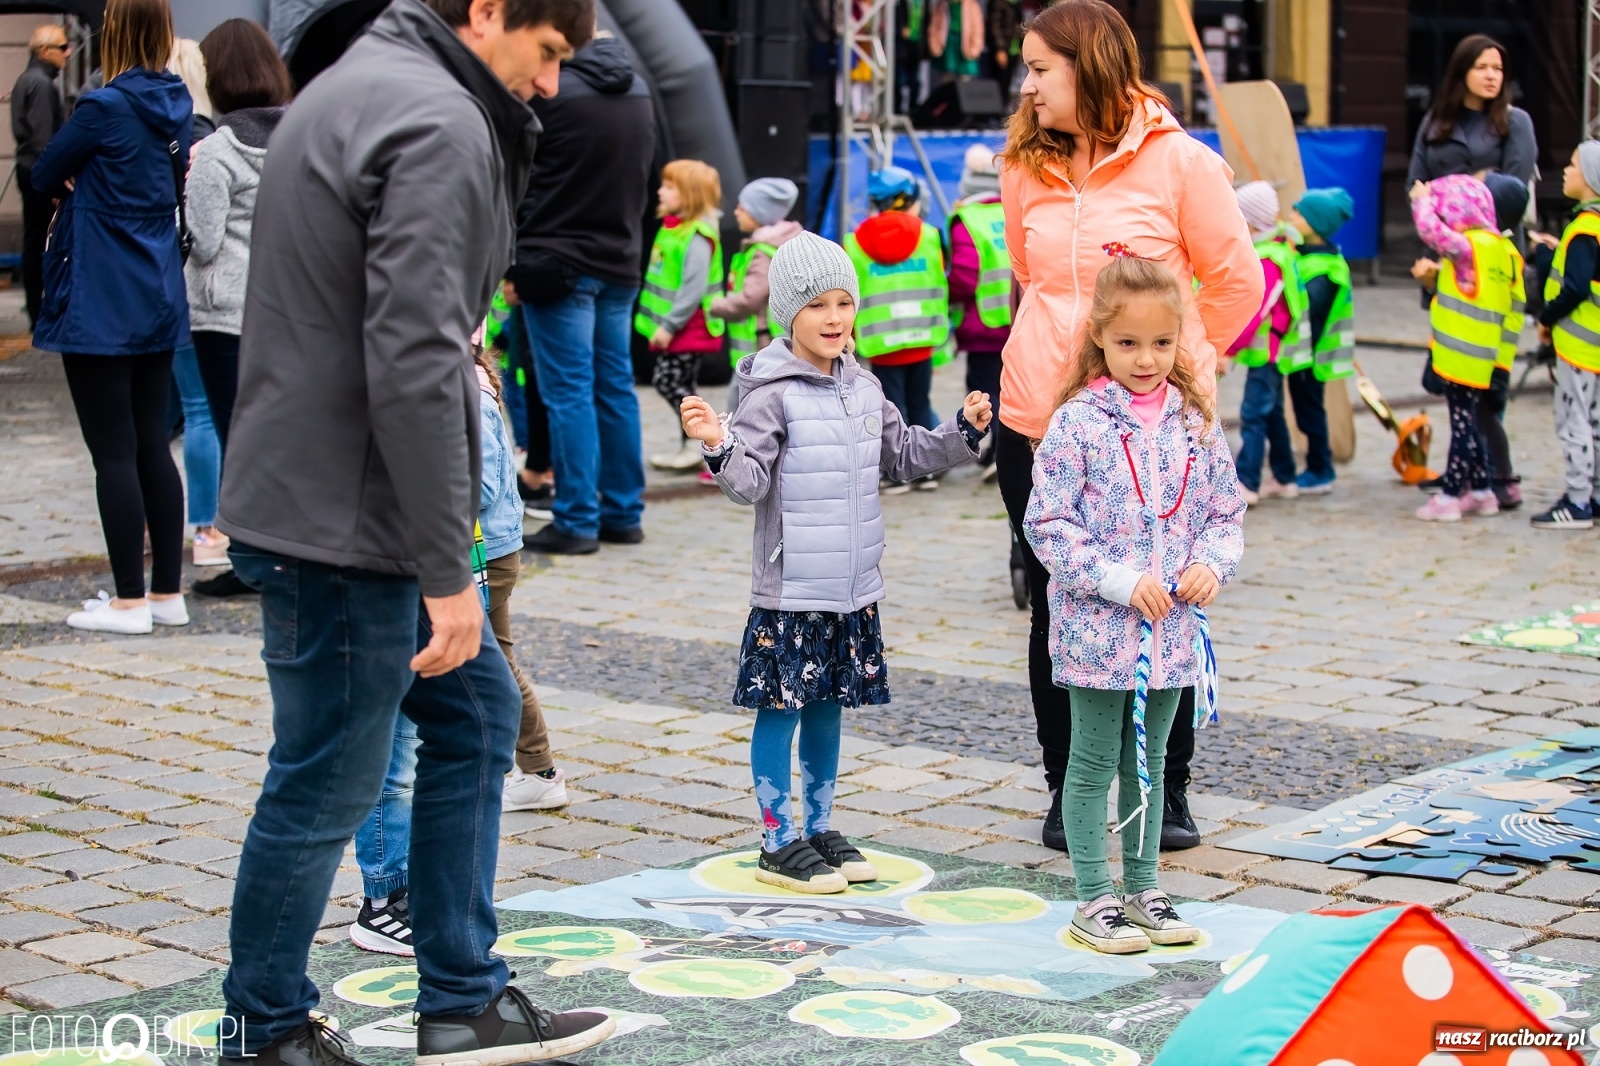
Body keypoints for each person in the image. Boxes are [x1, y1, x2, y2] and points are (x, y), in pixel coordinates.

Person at [212, 0, 614, 1061]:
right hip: (346, 518)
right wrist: (449, 568)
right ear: (487, 13)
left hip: (324, 494)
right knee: (329, 771)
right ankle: (264, 1024)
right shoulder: (434, 117)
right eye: (548, 53)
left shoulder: (353, 84)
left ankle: (462, 995)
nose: (551, 86)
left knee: (475, 713)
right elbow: (416, 355)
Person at [995, 0, 1260, 853]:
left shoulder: (1183, 164)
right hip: (1038, 421)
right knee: (1057, 606)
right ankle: (1066, 781)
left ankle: (1165, 789)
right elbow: (1026, 277)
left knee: (1165, 601)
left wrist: (1185, 368)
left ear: (1092, 64)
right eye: (1027, 69)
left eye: (1041, 68)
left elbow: (1234, 283)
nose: (1028, 85)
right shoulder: (1025, 166)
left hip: (1154, 435)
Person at [680, 232, 990, 893]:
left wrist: (962, 433)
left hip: (851, 589)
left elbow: (902, 456)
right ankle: (776, 838)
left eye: (844, 302)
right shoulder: (769, 390)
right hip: (791, 591)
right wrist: (718, 444)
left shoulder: (864, 386)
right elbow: (750, 484)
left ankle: (819, 827)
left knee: (828, 709)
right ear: (788, 312)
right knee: (783, 709)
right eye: (817, 304)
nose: (834, 318)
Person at [1024, 255, 1244, 953]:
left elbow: (1225, 512)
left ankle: (1145, 886)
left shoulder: (1196, 423)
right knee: (1092, 762)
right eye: (1127, 344)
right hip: (1097, 632)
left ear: (1180, 341)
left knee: (1149, 761)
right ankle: (1093, 896)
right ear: (1100, 340)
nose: (1145, 359)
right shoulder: (1076, 424)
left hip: (1170, 636)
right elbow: (1049, 524)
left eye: (1160, 343)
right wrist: (1117, 579)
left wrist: (1211, 562)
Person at [350, 344, 569, 957]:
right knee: (389, 744)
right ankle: (384, 894)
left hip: (461, 559)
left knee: (458, 712)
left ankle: (409, 888)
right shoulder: (427, 373)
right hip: (415, 566)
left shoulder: (463, 382)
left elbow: (474, 484)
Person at [35, 0, 193, 635]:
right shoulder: (175, 105)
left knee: (114, 452)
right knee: (153, 443)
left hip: (101, 297)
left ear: (114, 33)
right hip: (156, 293)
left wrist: (75, 178)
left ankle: (128, 600)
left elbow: (44, 169)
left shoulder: (102, 107)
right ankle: (167, 593)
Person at [512, 28, 654, 556]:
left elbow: (518, 181)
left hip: (556, 262)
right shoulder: (639, 91)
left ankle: (576, 519)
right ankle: (623, 513)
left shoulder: (553, 91)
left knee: (568, 392)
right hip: (619, 259)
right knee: (614, 388)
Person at [184, 18, 294, 599]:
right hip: (286, 312)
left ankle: (251, 561)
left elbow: (201, 240)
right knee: (278, 438)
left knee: (235, 438)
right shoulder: (301, 138)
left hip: (224, 317)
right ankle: (284, 555)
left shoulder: (217, 150)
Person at [1410, 175, 1521, 523]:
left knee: (1461, 427)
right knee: (1471, 423)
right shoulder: (1499, 249)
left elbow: (1430, 231)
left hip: (1459, 356)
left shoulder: (1468, 247)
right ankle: (1482, 490)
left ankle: (1449, 497)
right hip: (1484, 355)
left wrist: (1421, 199)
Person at [845, 165, 950, 494]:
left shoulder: (854, 242)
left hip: (881, 341)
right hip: (922, 337)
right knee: (920, 403)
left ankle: (896, 473)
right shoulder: (930, 235)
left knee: (892, 409)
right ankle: (926, 471)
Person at [639, 158, 725, 473]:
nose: (660, 192)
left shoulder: (698, 235)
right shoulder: (673, 228)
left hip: (688, 329)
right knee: (683, 385)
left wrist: (668, 326)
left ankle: (707, 433)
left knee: (668, 381)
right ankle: (691, 445)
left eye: (669, 187)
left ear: (688, 194)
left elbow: (692, 288)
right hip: (679, 327)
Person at [1531, 142, 1600, 530]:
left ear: (1589, 179)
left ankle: (1576, 502)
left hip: (1578, 344)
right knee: (1596, 423)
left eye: (1573, 165)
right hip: (1597, 344)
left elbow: (1573, 288)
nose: (1565, 171)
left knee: (1574, 422)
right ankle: (1596, 496)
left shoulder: (1584, 230)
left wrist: (1546, 316)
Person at [1228, 180, 1308, 505]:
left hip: (1267, 352)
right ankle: (1285, 476)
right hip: (1274, 351)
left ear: (1250, 221)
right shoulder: (1279, 247)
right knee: (1272, 413)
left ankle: (1247, 482)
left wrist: (1229, 347)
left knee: (1253, 415)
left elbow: (1255, 309)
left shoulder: (1268, 258)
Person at [1281, 188, 1355, 497]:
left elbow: (1307, 309)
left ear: (1315, 223)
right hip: (1303, 353)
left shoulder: (1326, 269)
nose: (1291, 217)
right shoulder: (1308, 256)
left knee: (1309, 411)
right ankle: (1316, 464)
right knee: (1305, 409)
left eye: (1299, 213)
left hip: (1311, 356)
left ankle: (1320, 468)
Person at [709, 176, 803, 413]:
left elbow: (750, 299)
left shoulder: (763, 253)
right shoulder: (776, 245)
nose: (736, 211)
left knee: (740, 402)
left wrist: (715, 305)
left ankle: (733, 447)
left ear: (759, 214)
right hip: (763, 343)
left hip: (759, 343)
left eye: (743, 207)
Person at [947, 144, 1010, 474]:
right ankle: (999, 449)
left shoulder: (966, 220)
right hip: (1015, 320)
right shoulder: (1010, 212)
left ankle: (998, 452)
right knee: (1010, 387)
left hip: (982, 323)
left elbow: (965, 276)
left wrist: (947, 294)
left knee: (985, 389)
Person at [1407, 33, 1536, 189]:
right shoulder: (1435, 119)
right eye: (1481, 67)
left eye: (1498, 69)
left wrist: (1458, 195)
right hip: (1436, 214)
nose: (1491, 76)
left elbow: (1515, 192)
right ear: (1462, 72)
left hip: (1492, 213)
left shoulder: (1515, 121)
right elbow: (1414, 186)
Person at [12, 24, 68, 330]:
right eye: (62, 47)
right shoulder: (42, 85)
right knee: (44, 243)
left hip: (27, 168)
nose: (68, 52)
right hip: (38, 172)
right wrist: (56, 179)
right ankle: (42, 311)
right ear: (44, 51)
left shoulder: (26, 79)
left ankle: (36, 309)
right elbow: (44, 139)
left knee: (33, 240)